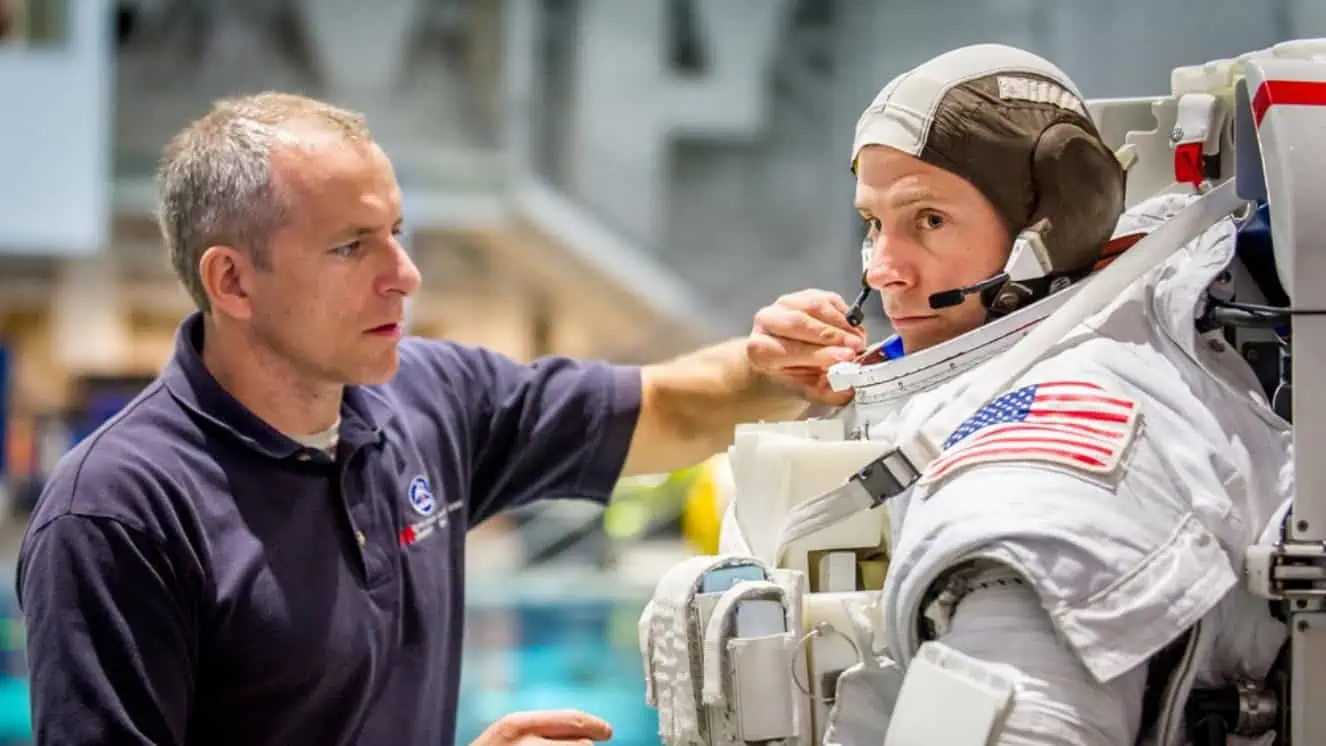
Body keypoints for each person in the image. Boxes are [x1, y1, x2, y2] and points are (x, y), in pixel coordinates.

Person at [14, 92, 864, 746]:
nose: (405, 274)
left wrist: (770, 368)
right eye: (352, 247)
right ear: (233, 282)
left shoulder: (431, 399)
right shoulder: (119, 515)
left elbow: (664, 410)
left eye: (396, 232)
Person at [740, 44, 1291, 744]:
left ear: (1055, 222)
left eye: (928, 220)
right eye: (874, 223)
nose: (881, 271)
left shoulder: (1035, 478)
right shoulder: (1020, 380)